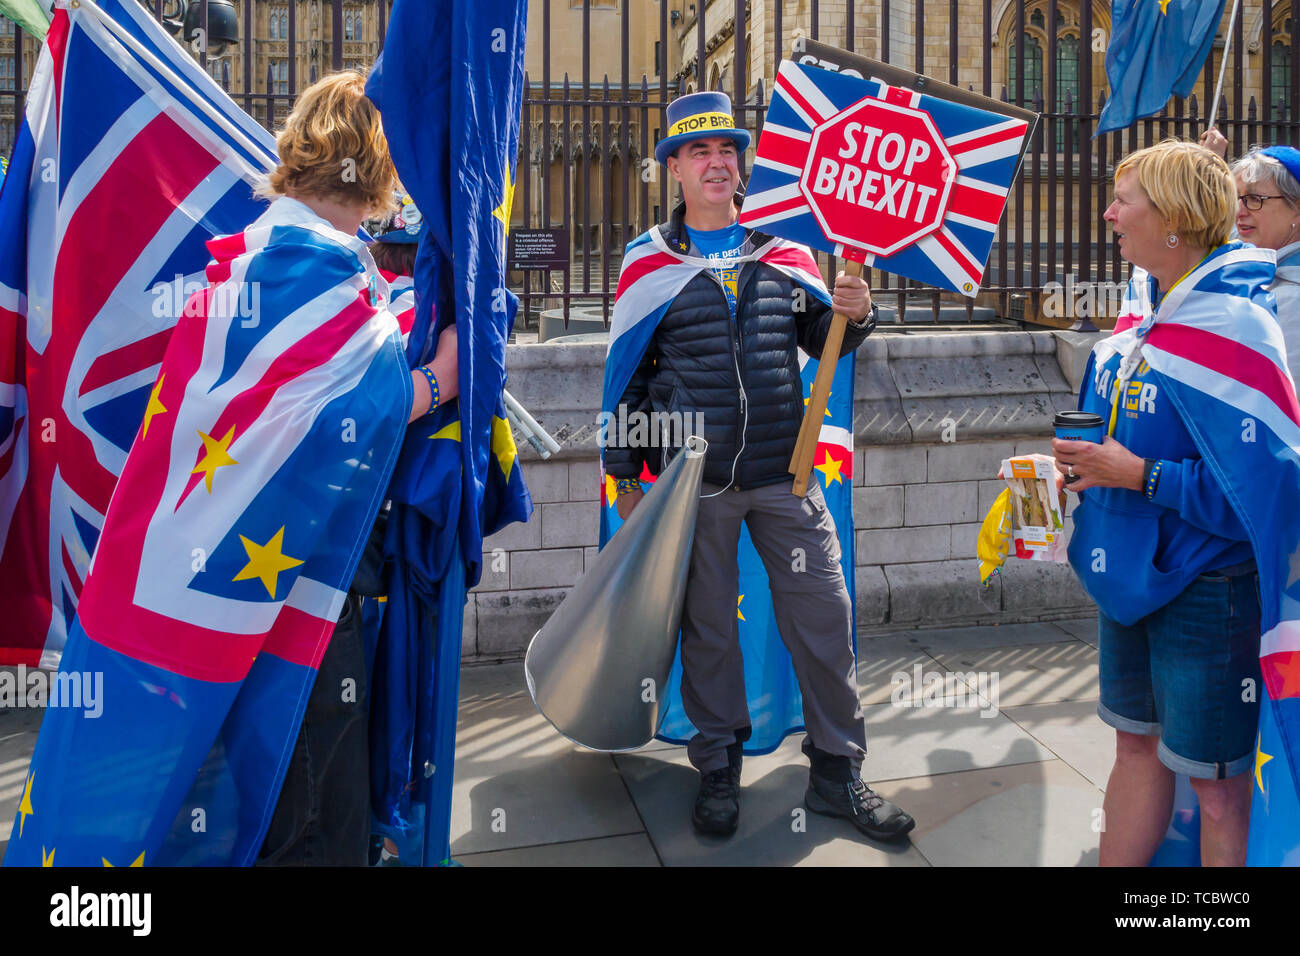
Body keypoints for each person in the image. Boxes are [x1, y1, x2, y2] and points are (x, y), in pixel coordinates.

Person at [604, 91, 914, 841]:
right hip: (694, 484)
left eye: (728, 150)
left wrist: (856, 311)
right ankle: (717, 767)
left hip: (786, 476)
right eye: (700, 151)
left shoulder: (784, 247)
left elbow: (820, 338)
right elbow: (629, 379)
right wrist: (626, 477)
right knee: (710, 631)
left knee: (824, 620)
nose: (719, 162)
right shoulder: (648, 261)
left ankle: (838, 771)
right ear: (674, 167)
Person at [249, 71, 457, 865]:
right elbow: (345, 409)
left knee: (295, 760)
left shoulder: (269, 247)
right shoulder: (311, 259)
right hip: (298, 570)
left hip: (269, 557)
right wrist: (441, 377)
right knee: (316, 783)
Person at [1052, 140, 1272, 866]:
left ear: (1174, 218)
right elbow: (1107, 450)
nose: (1109, 212)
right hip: (1128, 583)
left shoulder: (1239, 327)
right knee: (1134, 745)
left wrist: (1139, 475)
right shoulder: (1138, 325)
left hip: (1207, 590)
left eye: (1126, 200)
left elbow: (1260, 501)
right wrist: (1068, 473)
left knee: (1216, 789)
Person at [1200, 128, 1300, 375]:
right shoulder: (1262, 258)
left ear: (1296, 207)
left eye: (1255, 199)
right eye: (1237, 198)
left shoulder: (1292, 298)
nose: (1239, 212)